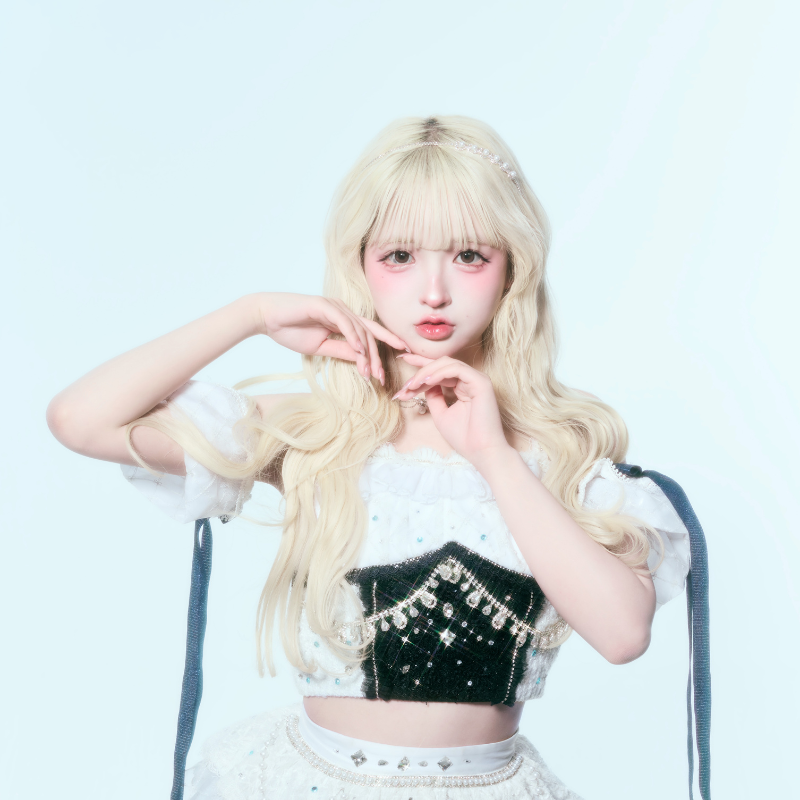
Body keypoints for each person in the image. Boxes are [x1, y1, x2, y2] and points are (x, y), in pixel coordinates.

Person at [47, 116, 692, 799]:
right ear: (359, 266)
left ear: (513, 268)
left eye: (470, 256)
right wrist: (252, 315)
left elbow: (623, 635)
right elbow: (80, 420)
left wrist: (494, 457)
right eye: (400, 256)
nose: (434, 292)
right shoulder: (319, 432)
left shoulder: (563, 453)